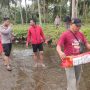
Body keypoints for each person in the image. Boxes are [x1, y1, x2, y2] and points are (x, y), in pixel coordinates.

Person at [56, 18, 90, 90]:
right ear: (71, 24)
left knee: (77, 79)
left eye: (80, 26)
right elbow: (58, 46)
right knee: (71, 80)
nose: (78, 27)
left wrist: (88, 46)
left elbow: (86, 43)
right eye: (77, 26)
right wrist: (60, 52)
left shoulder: (81, 34)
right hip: (69, 59)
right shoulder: (65, 34)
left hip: (79, 59)